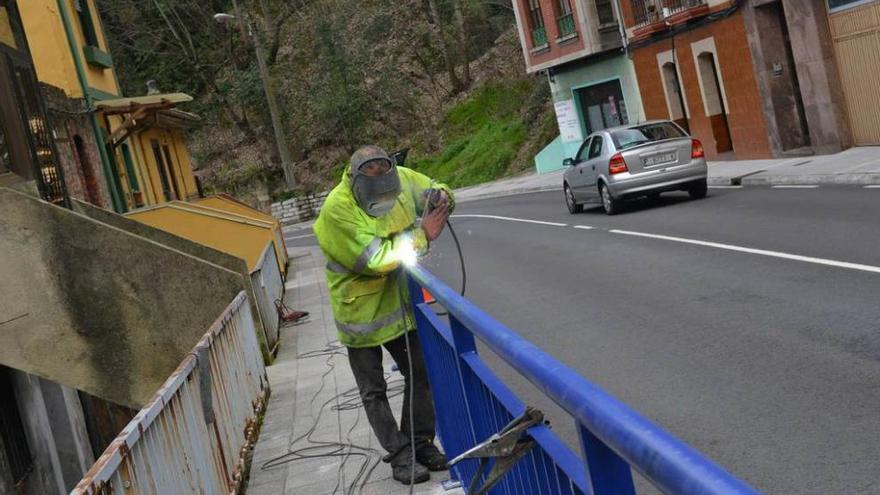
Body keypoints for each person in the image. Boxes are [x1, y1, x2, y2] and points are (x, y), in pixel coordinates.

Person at [312, 145, 454, 485]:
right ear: (357, 180)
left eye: (386, 182)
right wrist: (422, 236)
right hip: (360, 313)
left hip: (400, 305)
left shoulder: (401, 179)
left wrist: (440, 197)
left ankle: (420, 443)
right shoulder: (338, 209)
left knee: (422, 373)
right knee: (373, 390)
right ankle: (401, 456)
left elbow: (438, 187)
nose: (384, 193)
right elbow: (374, 258)